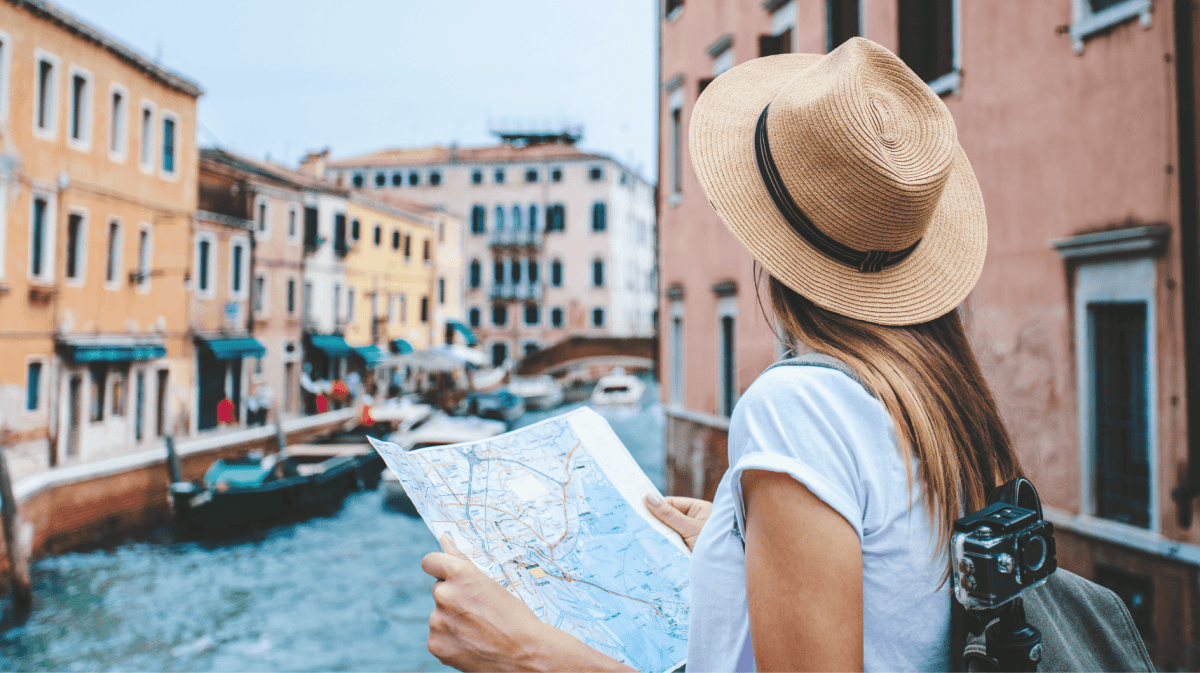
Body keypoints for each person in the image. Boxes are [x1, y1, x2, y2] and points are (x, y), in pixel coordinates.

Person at [419, 37, 1023, 672]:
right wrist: (733, 543)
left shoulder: (799, 407)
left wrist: (526, 653)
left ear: (769, 238)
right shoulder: (937, 393)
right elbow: (892, 588)